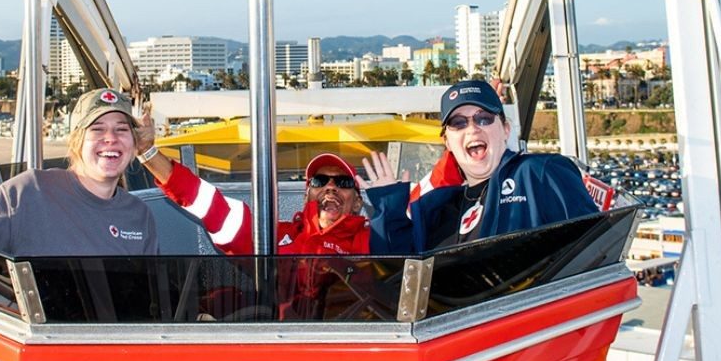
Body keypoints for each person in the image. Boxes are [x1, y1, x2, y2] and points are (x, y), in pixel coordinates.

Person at [363, 79, 597, 254]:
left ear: (505, 129)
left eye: (484, 118)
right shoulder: (435, 208)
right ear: (447, 142)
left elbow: (594, 247)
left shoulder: (539, 173)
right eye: (458, 123)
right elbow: (397, 277)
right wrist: (389, 211)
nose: (473, 129)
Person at [0, 88, 157, 256]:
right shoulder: (30, 192)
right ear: (76, 141)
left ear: (134, 143)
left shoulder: (138, 214)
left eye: (121, 129)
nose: (111, 139)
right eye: (97, 129)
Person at [135, 116, 370, 257]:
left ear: (358, 201)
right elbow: (206, 202)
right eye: (319, 181)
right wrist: (148, 152)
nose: (330, 187)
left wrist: (389, 198)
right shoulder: (270, 237)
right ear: (307, 195)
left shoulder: (375, 242)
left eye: (343, 182)